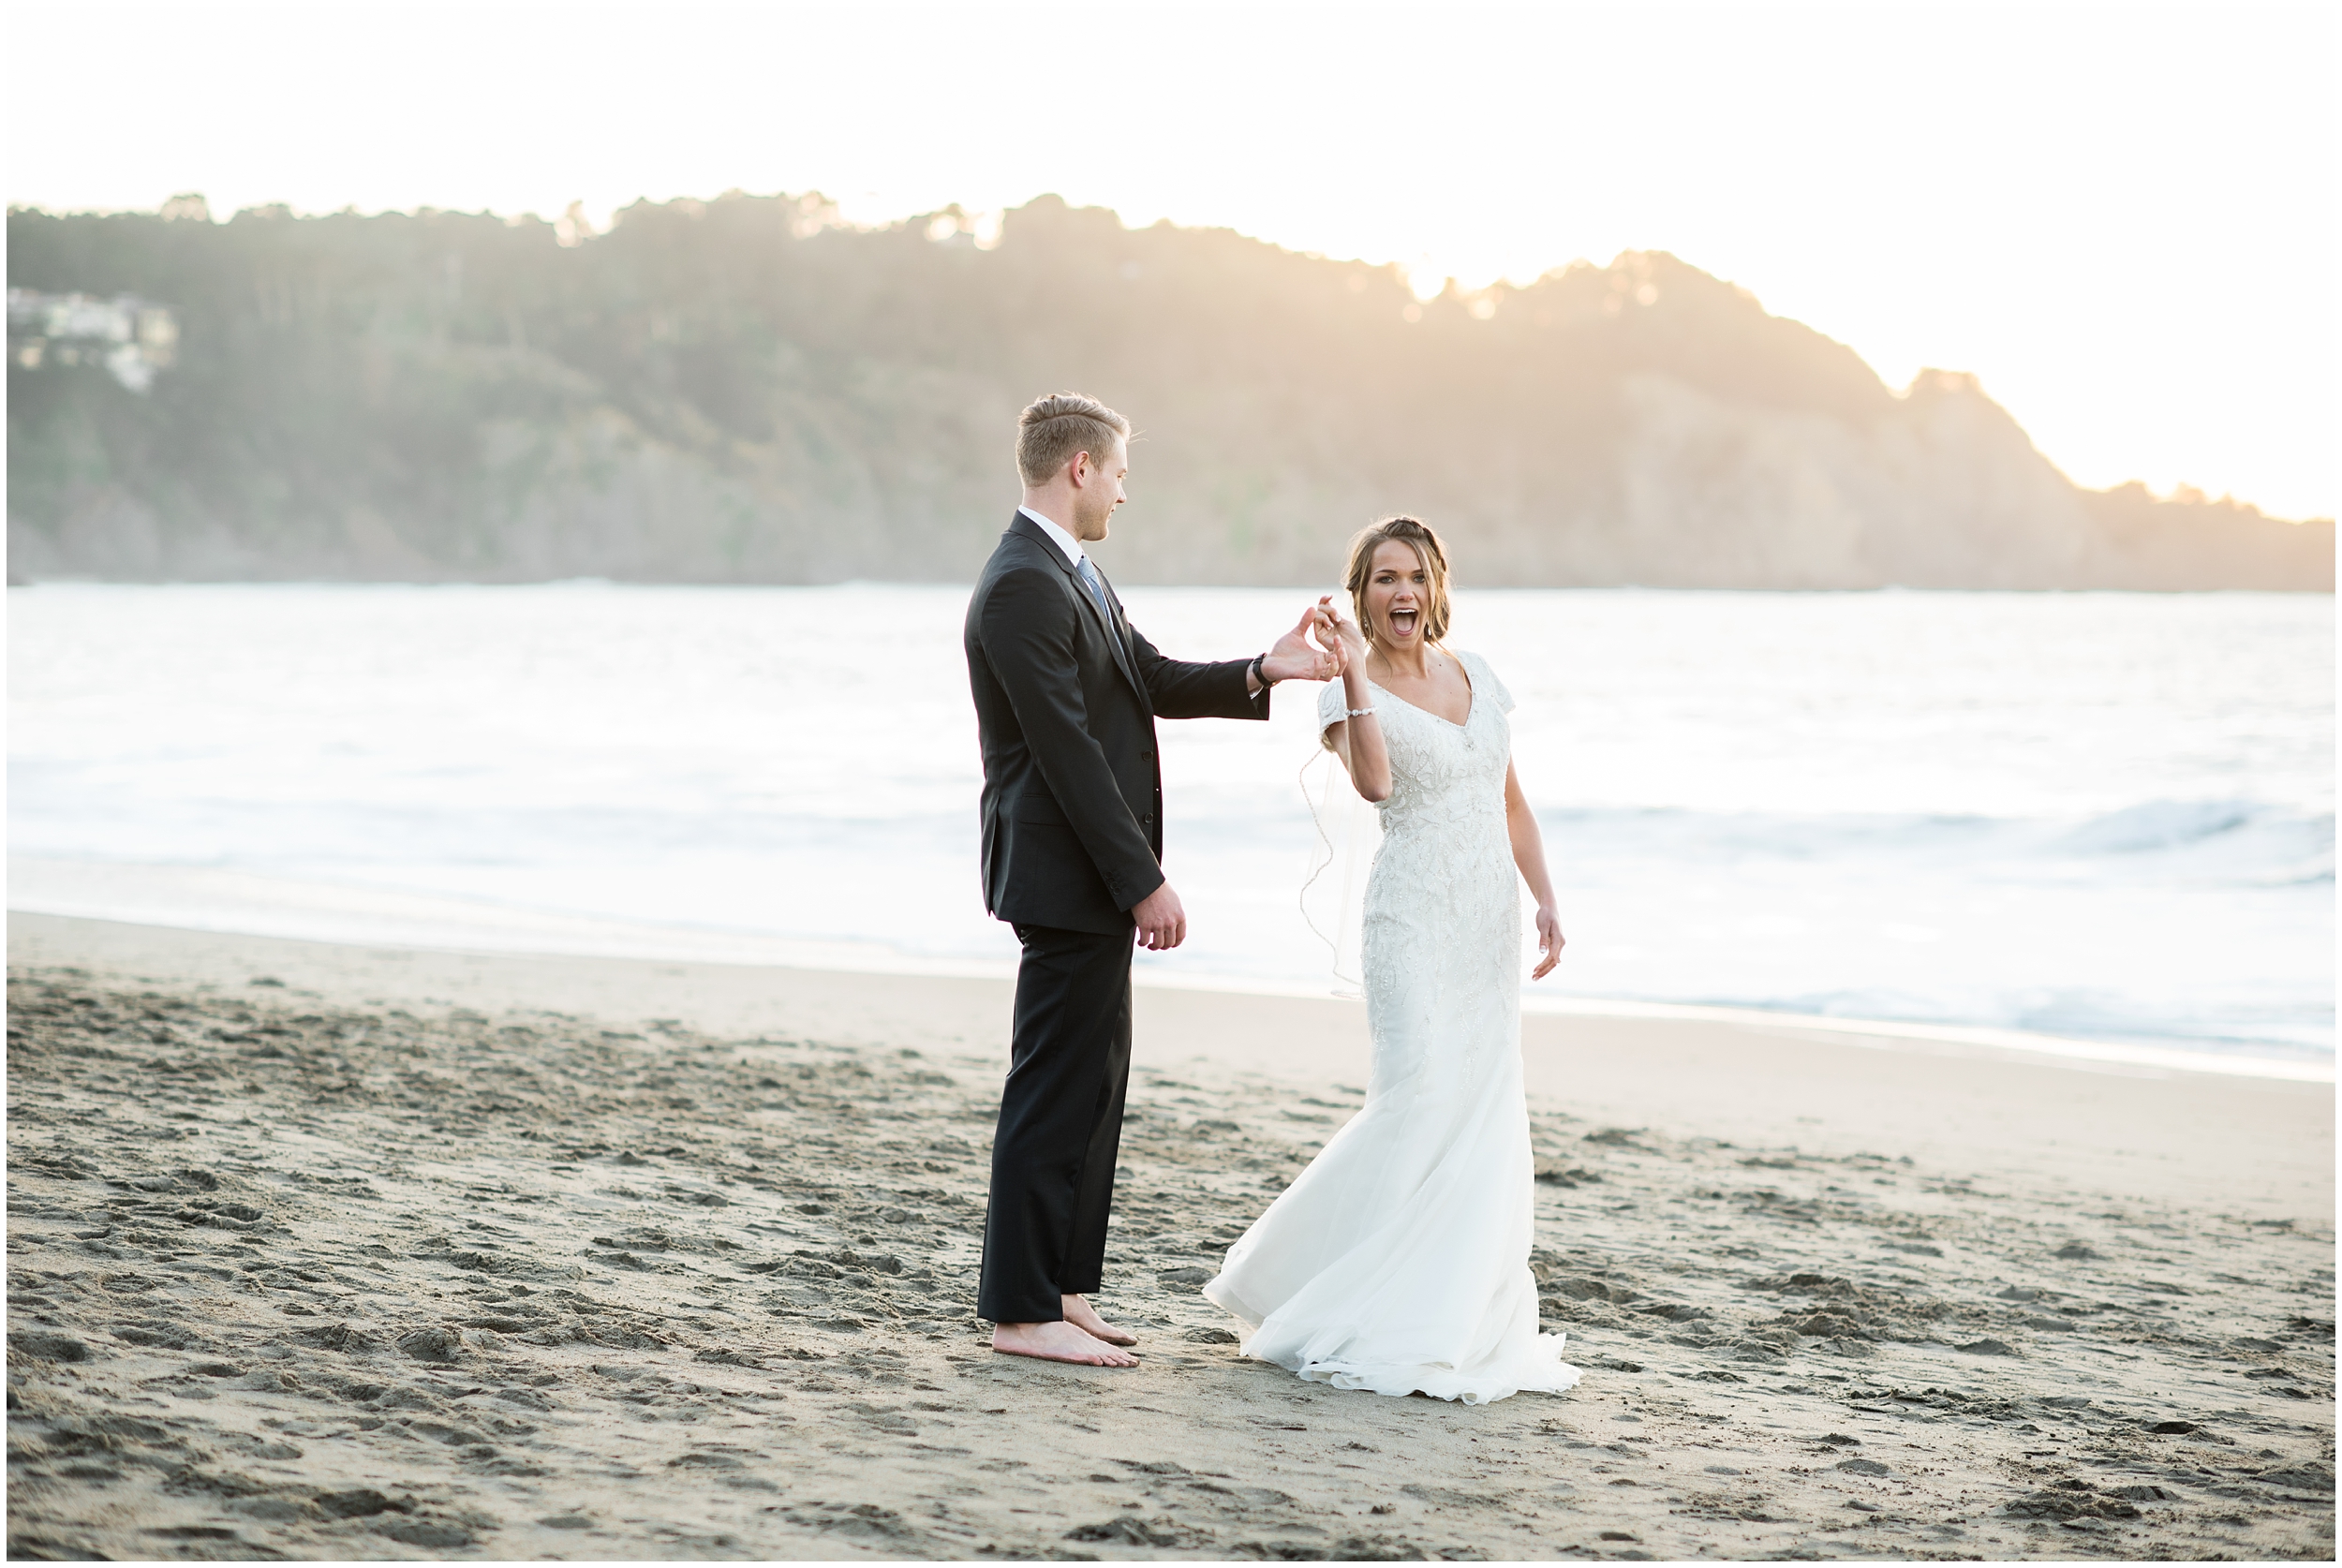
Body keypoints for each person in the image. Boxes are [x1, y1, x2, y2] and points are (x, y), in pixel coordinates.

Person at [964, 392, 1340, 1367]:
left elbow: (1151, 680)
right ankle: (1018, 1313)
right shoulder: (1021, 585)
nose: (1126, 494)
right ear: (1080, 468)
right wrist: (1143, 881)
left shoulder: (1072, 573)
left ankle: (1061, 1288)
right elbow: (1067, 754)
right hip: (1064, 873)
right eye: (1120, 473)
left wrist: (1268, 667)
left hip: (1085, 874)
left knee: (1096, 1086)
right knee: (1051, 1091)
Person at [1202, 515, 1582, 1403]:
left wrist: (1548, 900)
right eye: (1381, 579)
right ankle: (1301, 1286)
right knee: (1416, 1101)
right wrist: (1358, 674)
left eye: (1413, 575)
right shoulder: (1343, 688)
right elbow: (1375, 784)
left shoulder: (1477, 675)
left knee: (1481, 1113)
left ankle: (1445, 1311)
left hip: (1486, 924)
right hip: (1410, 919)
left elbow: (1512, 806)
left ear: (1436, 585)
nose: (1400, 591)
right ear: (1362, 596)